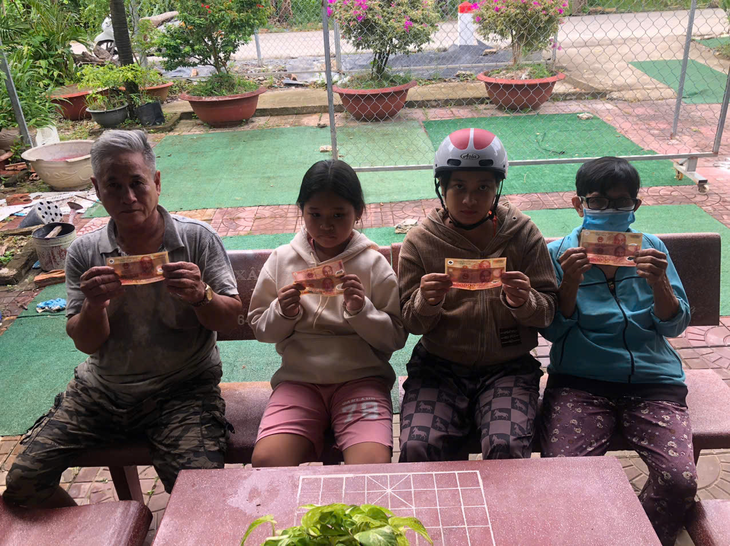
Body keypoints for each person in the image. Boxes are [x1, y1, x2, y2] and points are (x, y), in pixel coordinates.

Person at [3, 130, 242, 508]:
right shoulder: (85, 252)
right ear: (97, 189)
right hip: (101, 391)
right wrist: (95, 306)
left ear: (156, 182)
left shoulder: (196, 239)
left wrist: (202, 295)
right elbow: (85, 342)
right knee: (23, 483)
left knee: (200, 498)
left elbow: (230, 318)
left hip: (184, 390)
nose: (128, 197)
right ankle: (102, 531)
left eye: (137, 183)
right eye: (114, 186)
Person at [539, 156, 696, 546]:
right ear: (578, 205)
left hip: (654, 382)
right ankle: (590, 535)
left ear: (635, 205)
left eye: (621, 202)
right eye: (597, 201)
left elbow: (674, 325)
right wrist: (569, 282)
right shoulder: (559, 254)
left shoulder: (653, 250)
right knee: (565, 476)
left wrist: (659, 283)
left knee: (679, 481)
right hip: (580, 382)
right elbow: (553, 331)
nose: (609, 211)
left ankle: (640, 537)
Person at [398, 128, 558, 462]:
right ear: (442, 188)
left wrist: (523, 301)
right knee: (418, 446)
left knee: (506, 446)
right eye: (459, 187)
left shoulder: (523, 234)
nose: (469, 200)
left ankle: (505, 502)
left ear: (497, 189)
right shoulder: (421, 241)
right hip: (438, 369)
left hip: (508, 367)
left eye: (483, 188)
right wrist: (427, 301)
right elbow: (411, 322)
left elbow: (548, 311)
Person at [248, 159, 407, 466]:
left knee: (371, 467)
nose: (326, 225)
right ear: (301, 211)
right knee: (268, 461)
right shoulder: (282, 260)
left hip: (362, 380)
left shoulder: (373, 264)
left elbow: (395, 337)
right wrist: (283, 312)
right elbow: (261, 330)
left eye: (338, 214)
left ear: (358, 212)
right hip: (298, 382)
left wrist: (361, 310)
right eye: (315, 214)